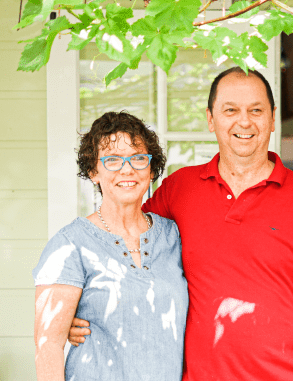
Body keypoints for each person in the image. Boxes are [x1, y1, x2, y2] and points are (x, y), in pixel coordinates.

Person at [70, 67, 293, 381]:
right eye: (230, 110)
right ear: (211, 119)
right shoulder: (180, 188)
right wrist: (81, 306)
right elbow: (125, 238)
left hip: (283, 375)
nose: (244, 121)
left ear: (273, 118)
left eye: (256, 110)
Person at [33, 111, 187, 380]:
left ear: (151, 170)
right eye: (112, 160)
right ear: (93, 171)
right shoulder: (71, 244)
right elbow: (48, 346)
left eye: (138, 158)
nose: (127, 169)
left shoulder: (173, 236)